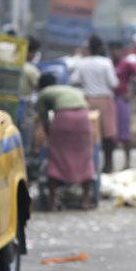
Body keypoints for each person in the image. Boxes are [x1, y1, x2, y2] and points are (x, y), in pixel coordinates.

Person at [35, 73, 95, 210]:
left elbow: (43, 117)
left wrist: (49, 133)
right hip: (83, 118)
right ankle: (85, 200)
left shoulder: (44, 93)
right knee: (85, 157)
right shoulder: (69, 89)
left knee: (56, 157)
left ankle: (52, 201)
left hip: (63, 119)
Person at [70, 35, 119, 173]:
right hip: (105, 100)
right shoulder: (106, 62)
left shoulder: (82, 63)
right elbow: (114, 83)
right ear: (101, 48)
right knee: (108, 135)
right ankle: (108, 165)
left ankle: (90, 167)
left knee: (90, 134)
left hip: (88, 100)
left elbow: (74, 79)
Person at [109, 40, 136, 170]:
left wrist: (132, 93)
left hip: (122, 100)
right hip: (110, 99)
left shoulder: (127, 64)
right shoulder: (107, 64)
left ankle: (128, 162)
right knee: (110, 134)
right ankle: (110, 163)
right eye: (112, 50)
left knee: (125, 133)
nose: (114, 52)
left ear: (121, 51)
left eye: (117, 49)